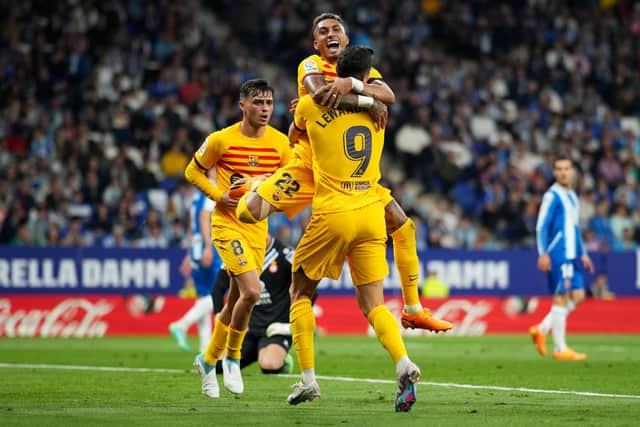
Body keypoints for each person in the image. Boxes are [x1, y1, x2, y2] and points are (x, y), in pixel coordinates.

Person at [236, 12, 451, 333]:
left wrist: (351, 85)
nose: (330, 34)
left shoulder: (367, 73)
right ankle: (256, 182)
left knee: (403, 226)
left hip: (349, 175)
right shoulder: (310, 64)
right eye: (323, 31)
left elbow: (389, 96)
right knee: (250, 213)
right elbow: (320, 93)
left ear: (346, 40)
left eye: (336, 29)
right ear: (316, 43)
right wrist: (367, 101)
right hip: (309, 165)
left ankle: (413, 308)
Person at [281, 46, 421, 412]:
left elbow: (294, 136)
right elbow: (378, 99)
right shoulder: (379, 110)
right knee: (374, 305)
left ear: (336, 71)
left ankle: (308, 380)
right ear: (368, 75)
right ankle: (403, 363)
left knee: (299, 292)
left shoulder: (312, 105)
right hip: (371, 213)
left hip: (333, 213)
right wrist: (365, 97)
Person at [184, 79, 291, 397]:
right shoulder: (221, 140)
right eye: (258, 103)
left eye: (269, 103)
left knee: (234, 303)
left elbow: (289, 181)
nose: (265, 109)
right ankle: (231, 357)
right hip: (227, 225)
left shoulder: (280, 143)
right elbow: (192, 171)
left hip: (258, 229)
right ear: (242, 105)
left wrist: (263, 184)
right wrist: (219, 196)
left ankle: (206, 361)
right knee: (252, 291)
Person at [211, 234, 309, 374]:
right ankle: (258, 352)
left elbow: (307, 289)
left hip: (275, 329)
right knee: (217, 365)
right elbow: (218, 289)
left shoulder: (286, 255)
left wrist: (291, 324)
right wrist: (221, 321)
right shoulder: (239, 255)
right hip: (247, 329)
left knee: (269, 366)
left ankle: (279, 357)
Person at [529, 155, 594, 361]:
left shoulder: (572, 196)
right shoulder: (552, 196)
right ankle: (560, 348)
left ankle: (542, 328)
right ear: (555, 172)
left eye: (567, 168)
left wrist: (582, 252)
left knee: (579, 296)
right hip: (559, 253)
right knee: (561, 297)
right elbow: (541, 226)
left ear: (573, 171)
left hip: (573, 254)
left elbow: (574, 227)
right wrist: (543, 252)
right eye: (559, 169)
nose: (563, 172)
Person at [169, 179, 223, 353]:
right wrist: (209, 247)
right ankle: (181, 325)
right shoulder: (212, 188)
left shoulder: (196, 192)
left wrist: (189, 253)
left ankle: (204, 351)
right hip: (208, 247)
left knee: (203, 298)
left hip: (196, 248)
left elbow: (192, 225)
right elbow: (203, 217)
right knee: (216, 295)